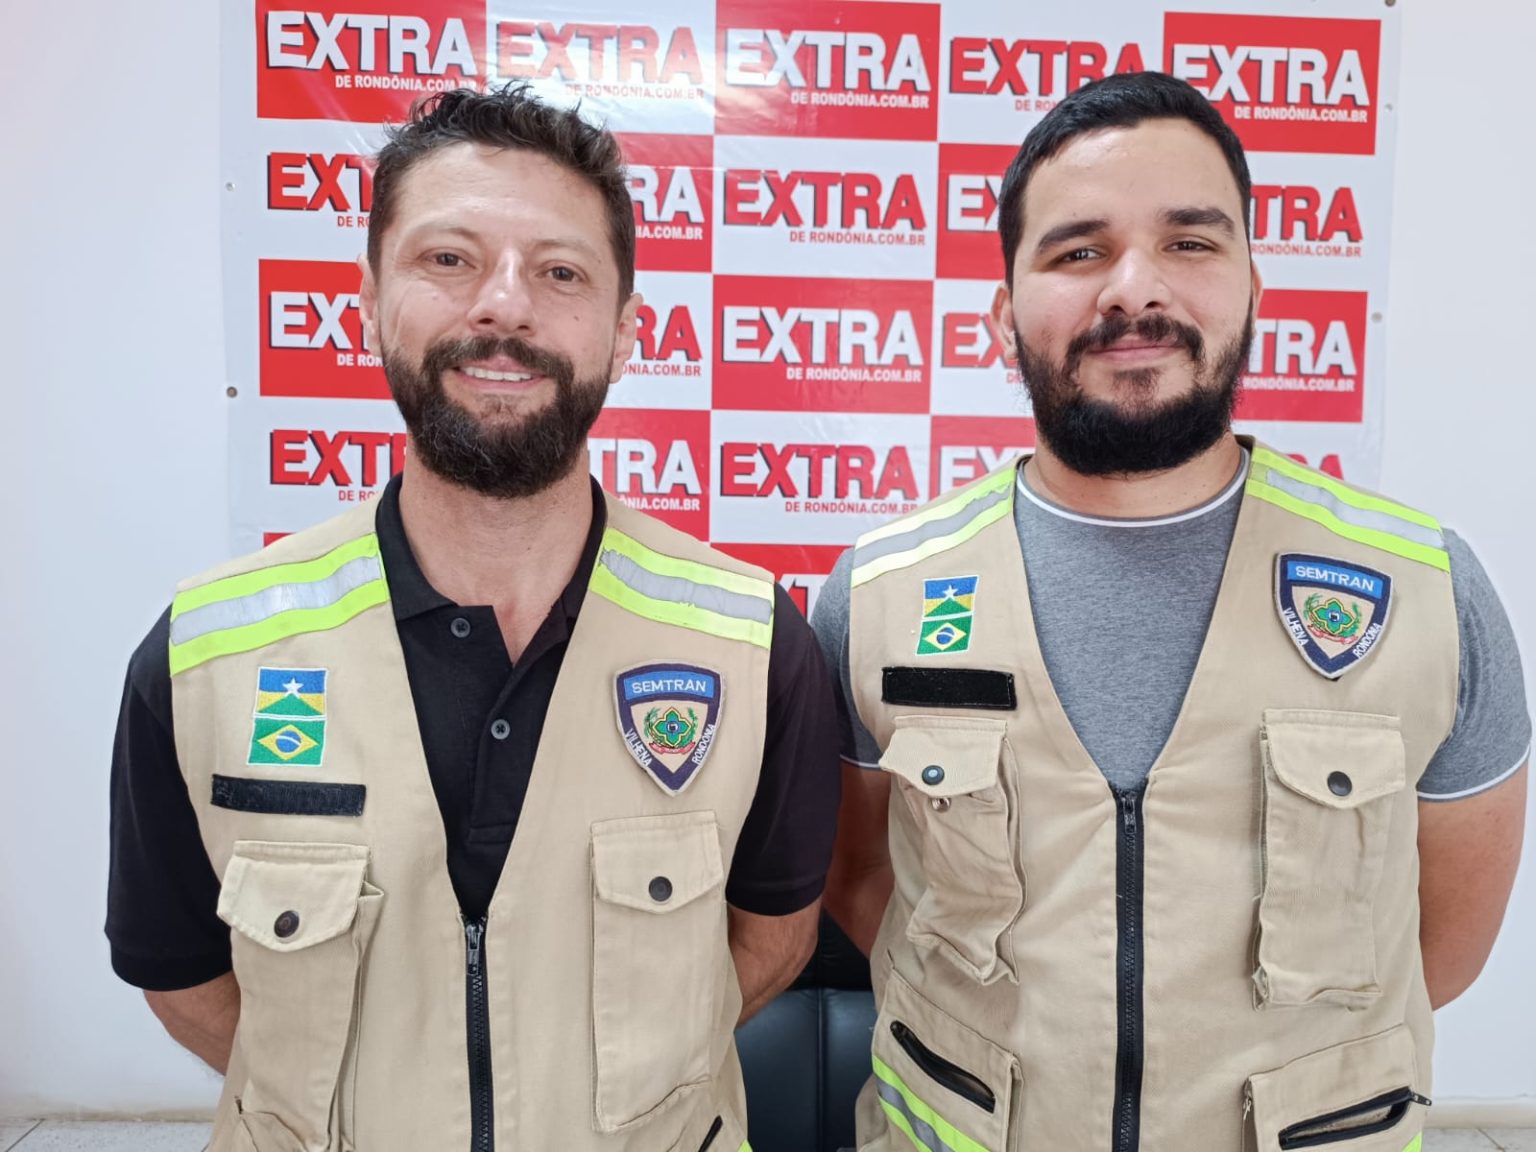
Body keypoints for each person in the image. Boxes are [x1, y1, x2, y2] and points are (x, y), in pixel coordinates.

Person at [107, 84, 841, 1152]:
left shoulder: (753, 644)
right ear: (369, 303)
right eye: (449, 259)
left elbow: (771, 943)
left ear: (626, 331)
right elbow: (181, 980)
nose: (503, 306)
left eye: (560, 272)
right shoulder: (204, 653)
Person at [811, 72, 1529, 1152]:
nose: (1134, 288)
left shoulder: (1427, 591)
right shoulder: (878, 595)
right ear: (1004, 313)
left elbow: (1440, 944)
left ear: (1252, 286)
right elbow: (864, 881)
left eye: (1190, 242)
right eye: (1078, 251)